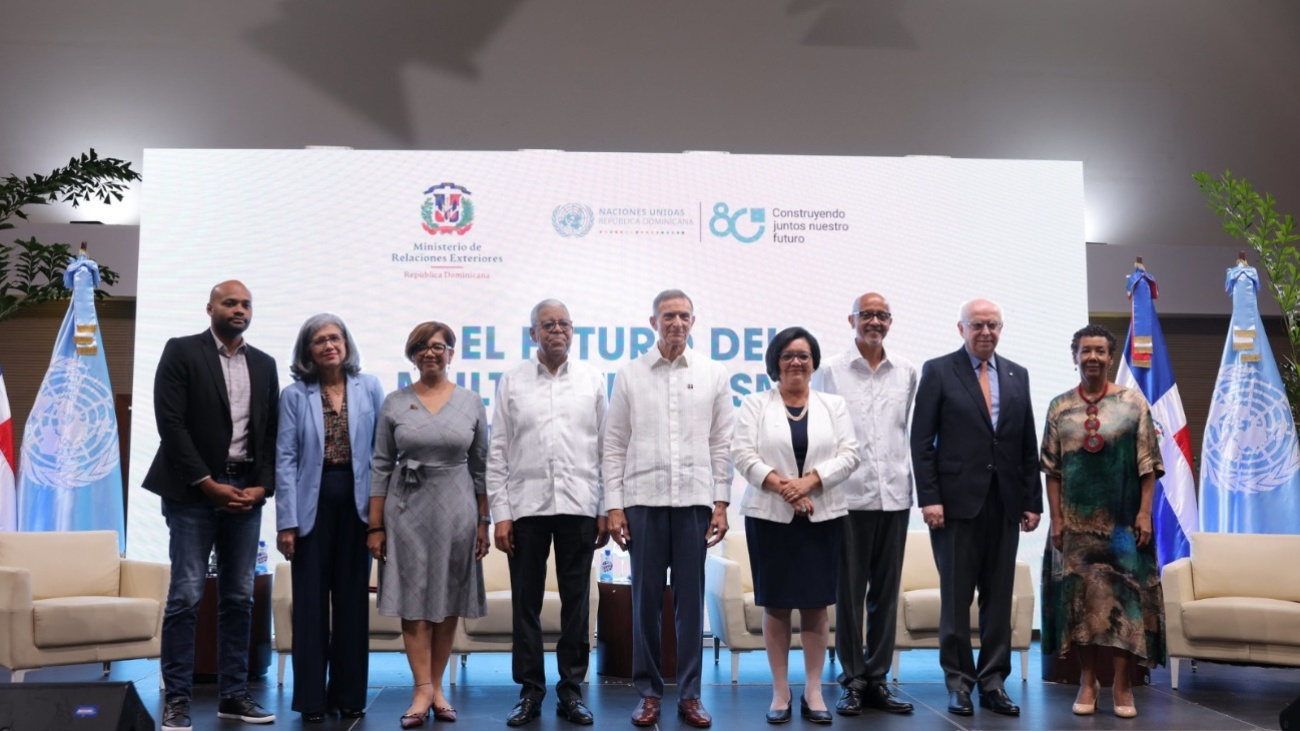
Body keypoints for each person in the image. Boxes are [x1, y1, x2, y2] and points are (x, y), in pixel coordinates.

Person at [144, 280, 279, 731]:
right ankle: (177, 700)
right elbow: (171, 424)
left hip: (245, 492)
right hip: (192, 493)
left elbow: (270, 433)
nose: (240, 309)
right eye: (230, 302)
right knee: (186, 596)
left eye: (246, 304)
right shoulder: (182, 351)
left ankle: (234, 695)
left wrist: (263, 487)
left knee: (239, 597)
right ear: (210, 308)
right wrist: (207, 483)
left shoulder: (264, 364)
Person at [603, 289, 734, 729]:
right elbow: (614, 444)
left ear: (693, 321)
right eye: (668, 316)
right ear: (653, 322)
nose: (676, 323)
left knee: (690, 603)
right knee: (645, 602)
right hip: (643, 502)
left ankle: (691, 695)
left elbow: (721, 444)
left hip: (695, 502)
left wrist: (721, 502)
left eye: (683, 316)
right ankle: (648, 693)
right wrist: (614, 506)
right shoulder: (630, 374)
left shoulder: (713, 373)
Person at [910, 298, 1042, 718]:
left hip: (1004, 503)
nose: (986, 332)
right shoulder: (938, 370)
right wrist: (930, 498)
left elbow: (1026, 443)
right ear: (961, 328)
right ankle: (959, 683)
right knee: (955, 600)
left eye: (993, 325)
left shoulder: (1017, 374)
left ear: (1001, 329)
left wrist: (1032, 501)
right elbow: (921, 441)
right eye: (977, 325)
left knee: (998, 599)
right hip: (954, 506)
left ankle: (993, 682)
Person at [488, 299, 610, 727]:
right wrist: (501, 514)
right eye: (548, 325)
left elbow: (606, 449)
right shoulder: (513, 380)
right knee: (526, 603)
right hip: (526, 506)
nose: (557, 330)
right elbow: (498, 450)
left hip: (579, 504)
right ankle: (529, 691)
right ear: (533, 333)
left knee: (577, 603)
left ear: (572, 330)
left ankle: (571, 690)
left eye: (563, 324)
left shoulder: (592, 379)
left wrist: (604, 507)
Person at [733, 327, 860, 725]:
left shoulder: (833, 405)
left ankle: (814, 690)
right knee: (776, 605)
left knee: (816, 605)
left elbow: (850, 454)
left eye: (803, 355)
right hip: (770, 517)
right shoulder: (755, 404)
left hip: (822, 516)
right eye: (788, 355)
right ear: (775, 362)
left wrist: (810, 483)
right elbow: (742, 454)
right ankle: (780, 691)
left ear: (814, 362)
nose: (796, 362)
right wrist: (785, 488)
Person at [368, 321, 490, 729]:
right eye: (422, 346)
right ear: (412, 355)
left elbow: (481, 467)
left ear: (451, 353)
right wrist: (375, 526)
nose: (431, 352)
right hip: (406, 510)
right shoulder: (394, 402)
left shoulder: (471, 402)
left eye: (439, 346)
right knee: (413, 599)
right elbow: (381, 465)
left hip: (457, 508)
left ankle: (437, 688)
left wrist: (484, 522)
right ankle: (421, 689)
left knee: (448, 599)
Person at [1040, 324, 1165, 719]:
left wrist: (1144, 512)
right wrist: (1056, 519)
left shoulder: (1132, 403)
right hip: (1075, 526)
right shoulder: (1059, 406)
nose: (1092, 357)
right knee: (1081, 606)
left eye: (1099, 350)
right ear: (1075, 356)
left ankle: (1122, 685)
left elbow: (1149, 466)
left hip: (1124, 526)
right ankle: (1088, 681)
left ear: (1111, 357)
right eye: (1085, 350)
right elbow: (1052, 471)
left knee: (1124, 603)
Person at [274, 314, 387, 723]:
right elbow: (285, 460)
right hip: (311, 507)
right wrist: (286, 522)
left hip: (359, 507)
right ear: (308, 350)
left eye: (335, 338)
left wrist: (380, 519)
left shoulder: (369, 386)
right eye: (319, 340)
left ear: (346, 343)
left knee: (353, 603)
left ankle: (349, 695)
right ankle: (311, 699)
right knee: (309, 605)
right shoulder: (294, 395)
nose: (329, 346)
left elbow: (382, 454)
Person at [811, 293, 917, 716]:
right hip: (848, 497)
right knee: (850, 594)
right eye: (866, 314)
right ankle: (852, 679)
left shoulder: (907, 371)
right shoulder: (830, 371)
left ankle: (878, 679)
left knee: (886, 596)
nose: (874, 321)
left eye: (881, 315)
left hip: (895, 495)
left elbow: (906, 429)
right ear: (851, 319)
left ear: (890, 321)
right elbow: (820, 433)